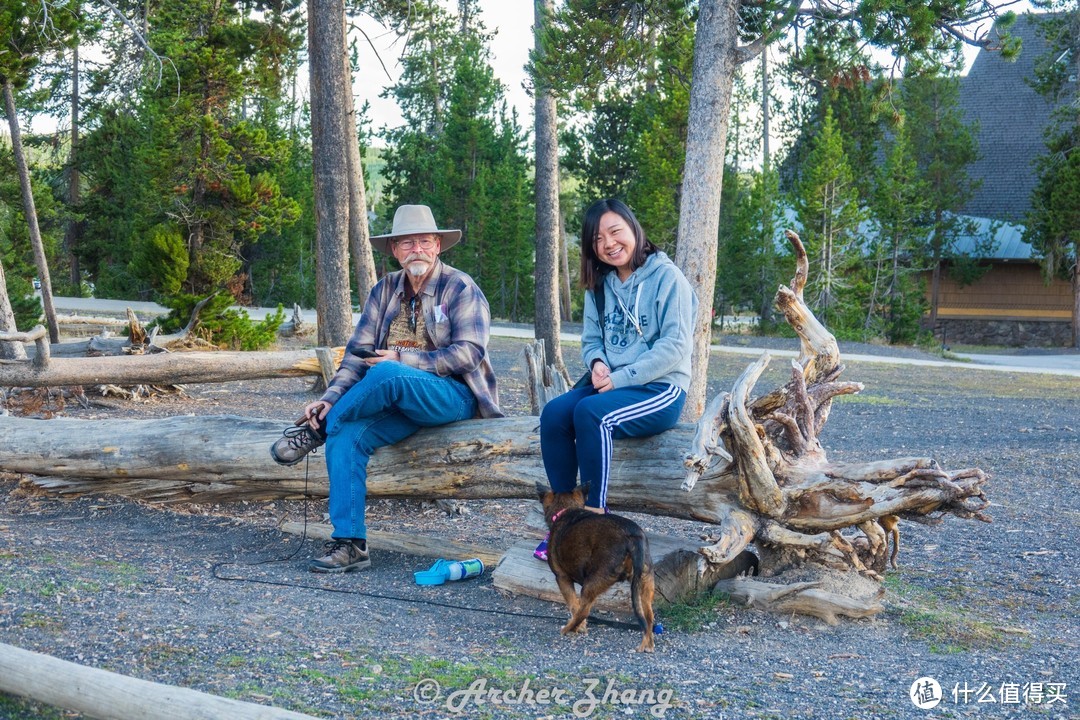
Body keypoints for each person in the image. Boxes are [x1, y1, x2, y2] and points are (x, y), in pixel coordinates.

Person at [270, 204, 503, 572]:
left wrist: (401, 360)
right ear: (394, 250)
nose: (417, 250)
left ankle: (317, 431)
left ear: (438, 246)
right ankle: (350, 543)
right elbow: (356, 356)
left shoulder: (460, 287)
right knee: (347, 434)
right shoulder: (385, 290)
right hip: (398, 403)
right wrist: (330, 398)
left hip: (452, 396)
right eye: (407, 243)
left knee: (384, 375)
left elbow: (469, 354)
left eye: (424, 242)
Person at [536, 198, 695, 558]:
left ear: (633, 228)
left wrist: (623, 377)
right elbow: (592, 339)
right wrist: (596, 362)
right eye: (597, 239)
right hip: (611, 383)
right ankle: (565, 522)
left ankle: (594, 523)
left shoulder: (667, 278)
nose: (608, 243)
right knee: (555, 414)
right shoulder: (601, 285)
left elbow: (675, 346)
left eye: (615, 231)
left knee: (591, 414)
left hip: (660, 388)